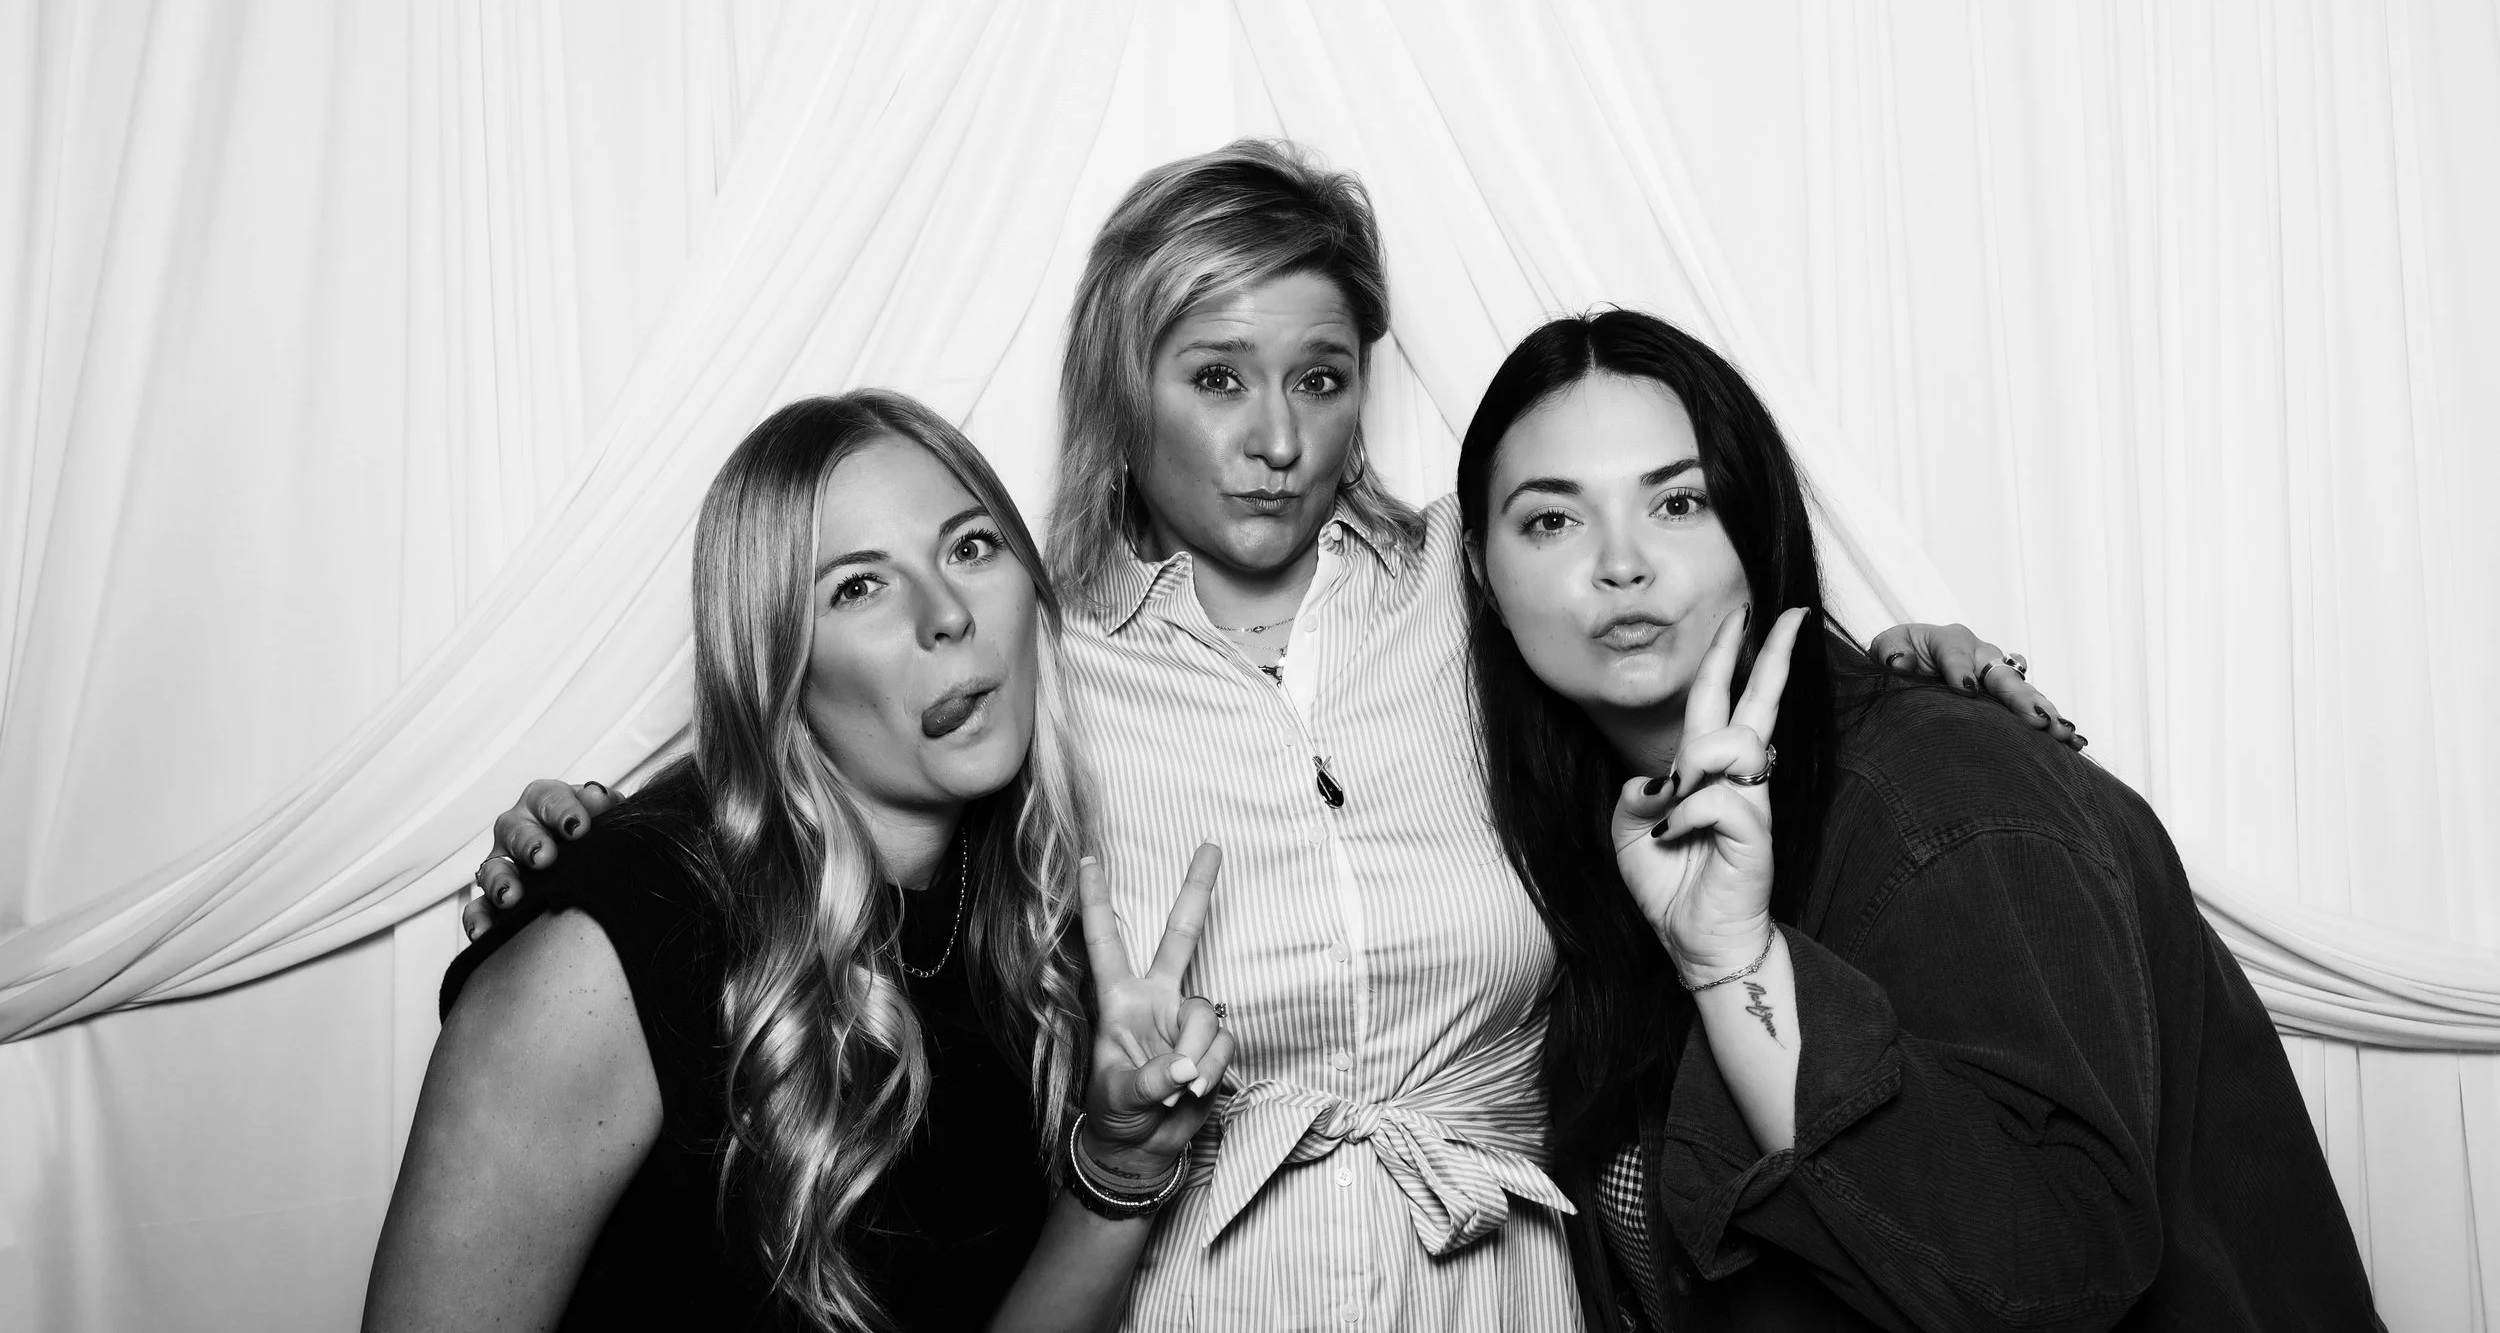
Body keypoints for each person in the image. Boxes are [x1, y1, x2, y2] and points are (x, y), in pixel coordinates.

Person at [473, 144, 2070, 1331]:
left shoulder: (1476, 586)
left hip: (1505, 1294)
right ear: (1127, 381)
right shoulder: (1046, 658)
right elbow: (822, 747)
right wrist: (590, 832)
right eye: (1219, 376)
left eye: (1320, 374)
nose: (1280, 437)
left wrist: (1899, 668)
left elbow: (1669, 611)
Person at [1459, 309, 2381, 1331]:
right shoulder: (1572, 848)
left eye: (1679, 501)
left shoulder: (1952, 789)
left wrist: (1737, 964)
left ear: (1756, 530)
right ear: (1479, 570)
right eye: (1551, 519)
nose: (1620, 563)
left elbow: (2045, 1277)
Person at [365, 392, 1239, 1333]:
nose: (947, 614)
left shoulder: (1020, 927)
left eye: (971, 546)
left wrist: (1121, 1168)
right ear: (773, 657)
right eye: (858, 586)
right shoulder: (615, 946)